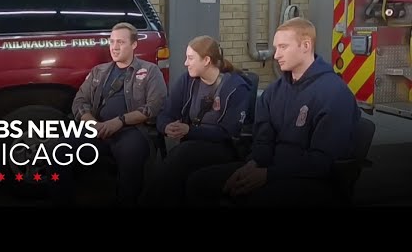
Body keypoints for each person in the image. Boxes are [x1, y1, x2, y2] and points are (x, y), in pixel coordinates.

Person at [186, 17, 361, 207]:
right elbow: (263, 140)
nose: (276, 55)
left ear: (306, 45)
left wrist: (268, 175)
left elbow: (322, 161)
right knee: (198, 182)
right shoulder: (273, 91)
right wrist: (252, 164)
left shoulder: (334, 93)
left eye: (283, 47)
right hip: (270, 168)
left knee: (256, 199)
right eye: (276, 48)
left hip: (313, 179)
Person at [49, 22, 167, 206]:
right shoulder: (99, 71)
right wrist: (92, 123)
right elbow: (80, 101)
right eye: (112, 41)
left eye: (120, 42)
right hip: (97, 129)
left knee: (132, 155)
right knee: (58, 149)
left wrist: (120, 121)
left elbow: (154, 106)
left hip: (132, 130)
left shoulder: (151, 71)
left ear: (134, 44)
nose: (114, 47)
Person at [140, 35, 252, 207]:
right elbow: (166, 112)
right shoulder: (188, 80)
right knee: (180, 163)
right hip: (191, 143)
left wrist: (189, 131)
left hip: (223, 147)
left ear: (206, 60)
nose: (186, 63)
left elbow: (229, 133)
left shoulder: (235, 87)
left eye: (190, 58)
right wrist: (166, 126)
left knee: (181, 157)